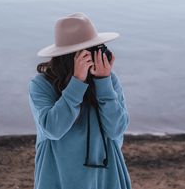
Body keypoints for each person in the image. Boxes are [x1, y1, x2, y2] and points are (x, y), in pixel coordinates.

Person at [28, 12, 131, 189]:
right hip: (59, 174)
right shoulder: (42, 85)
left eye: (97, 47)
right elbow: (53, 129)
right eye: (89, 50)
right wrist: (77, 82)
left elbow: (116, 130)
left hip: (105, 173)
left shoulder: (108, 80)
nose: (95, 55)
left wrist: (103, 82)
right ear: (70, 56)